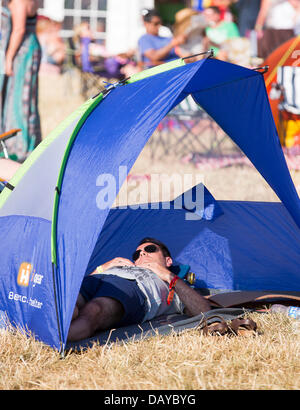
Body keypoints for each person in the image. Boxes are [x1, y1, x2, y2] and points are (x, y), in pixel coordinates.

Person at [67, 237, 211, 342]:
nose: (142, 254)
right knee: (68, 305)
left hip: (132, 287)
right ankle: (49, 332)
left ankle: (56, 341)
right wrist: (102, 268)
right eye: (137, 254)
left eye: (150, 249)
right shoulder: (115, 266)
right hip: (102, 278)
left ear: (168, 261)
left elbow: (204, 310)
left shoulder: (172, 284)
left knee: (94, 310)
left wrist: (169, 276)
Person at [0, 0, 42, 160]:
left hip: (22, 52)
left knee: (19, 100)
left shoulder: (19, 1)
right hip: (27, 49)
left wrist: (9, 58)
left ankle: (21, 147)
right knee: (24, 99)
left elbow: (19, 29)